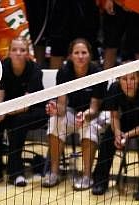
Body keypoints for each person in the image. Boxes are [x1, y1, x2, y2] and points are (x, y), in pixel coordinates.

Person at [43, 38, 107, 190]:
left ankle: (87, 176)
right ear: (70, 56)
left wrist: (84, 115)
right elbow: (62, 105)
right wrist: (55, 109)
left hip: (92, 114)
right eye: (76, 53)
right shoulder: (64, 72)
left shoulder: (97, 73)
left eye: (84, 53)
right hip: (71, 112)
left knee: (89, 128)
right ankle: (54, 173)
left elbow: (94, 108)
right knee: (55, 121)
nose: (80, 56)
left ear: (90, 55)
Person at [0, 36, 46, 187]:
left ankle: (16, 173)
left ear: (28, 53)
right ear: (9, 52)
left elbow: (25, 105)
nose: (18, 53)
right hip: (8, 109)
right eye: (14, 50)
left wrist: (5, 112)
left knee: (19, 121)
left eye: (22, 50)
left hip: (34, 110)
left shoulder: (35, 70)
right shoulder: (2, 67)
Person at [92, 69, 139, 196]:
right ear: (119, 80)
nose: (128, 83)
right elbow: (114, 116)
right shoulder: (114, 88)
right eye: (124, 79)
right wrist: (117, 133)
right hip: (126, 120)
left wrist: (126, 135)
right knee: (108, 138)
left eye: (132, 79)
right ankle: (100, 182)